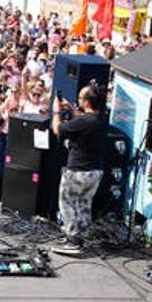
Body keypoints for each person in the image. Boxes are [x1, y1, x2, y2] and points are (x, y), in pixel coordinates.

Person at [51, 83, 108, 254]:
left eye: (81, 98)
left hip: (78, 171)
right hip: (95, 171)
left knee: (67, 203)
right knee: (83, 203)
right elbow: (84, 121)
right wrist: (72, 109)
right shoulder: (101, 118)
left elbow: (57, 129)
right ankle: (82, 235)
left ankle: (73, 241)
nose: (78, 100)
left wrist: (56, 112)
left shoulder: (83, 121)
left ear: (87, 101)